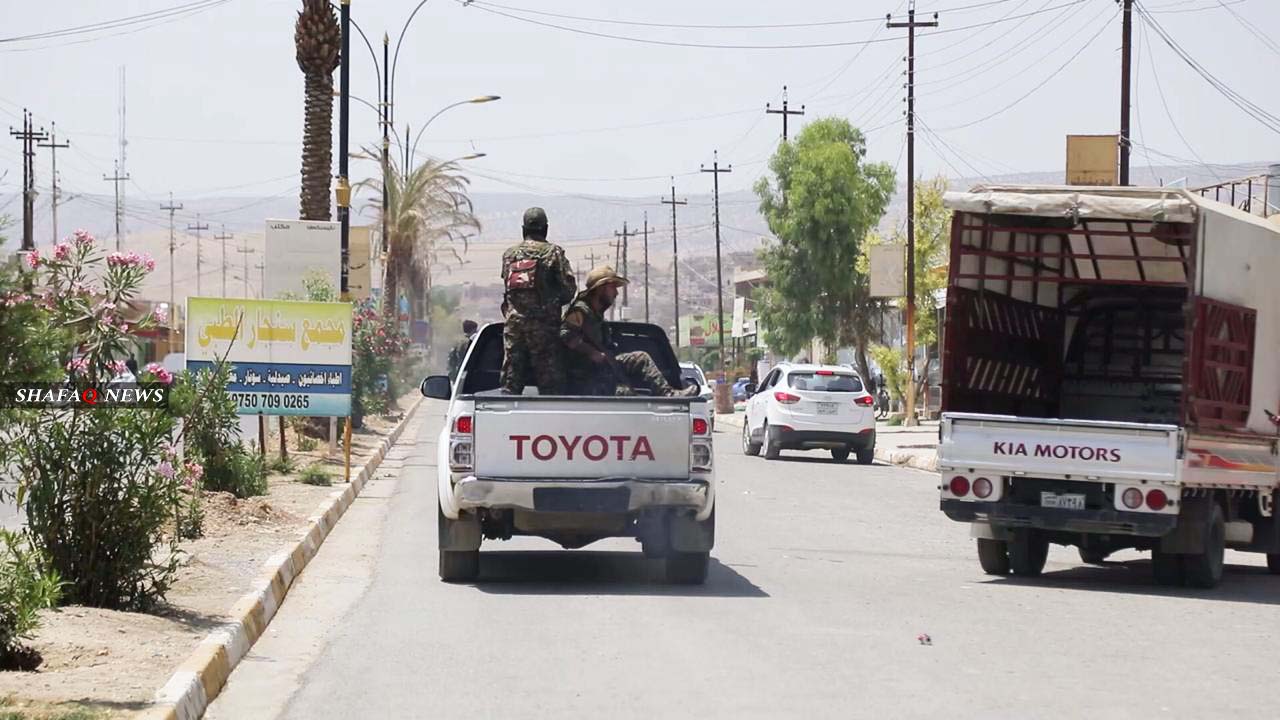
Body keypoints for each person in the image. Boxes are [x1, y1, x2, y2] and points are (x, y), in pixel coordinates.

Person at [561, 266, 699, 398]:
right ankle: (668, 394)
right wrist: (591, 352)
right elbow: (564, 335)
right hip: (585, 375)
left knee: (630, 386)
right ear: (600, 288)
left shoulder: (596, 314)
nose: (616, 293)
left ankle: (664, 394)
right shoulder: (580, 311)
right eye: (613, 287)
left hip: (600, 373)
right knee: (639, 362)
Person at [500, 207, 576, 395]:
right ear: (546, 228)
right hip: (545, 329)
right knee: (551, 387)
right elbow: (569, 290)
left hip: (514, 327)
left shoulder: (510, 254)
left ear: (523, 229)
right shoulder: (553, 253)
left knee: (511, 381)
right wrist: (553, 302)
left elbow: (507, 287)